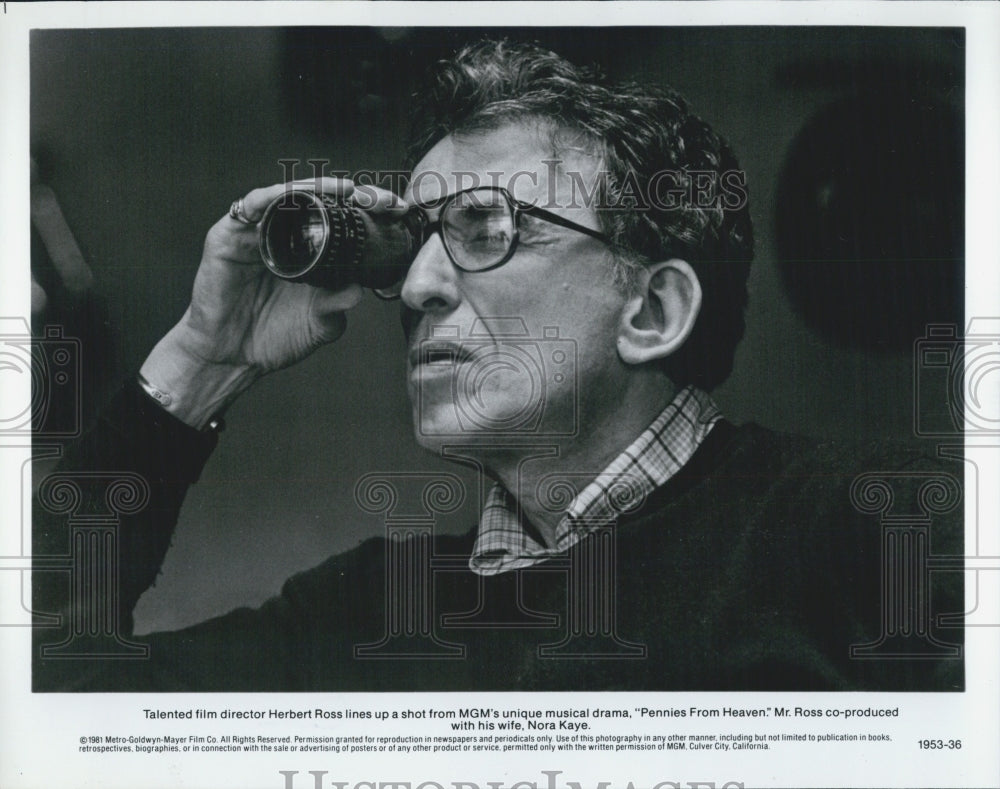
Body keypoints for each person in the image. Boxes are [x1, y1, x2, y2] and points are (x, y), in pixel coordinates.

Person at [32, 39, 963, 691]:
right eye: (416, 242)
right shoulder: (367, 611)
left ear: (652, 309)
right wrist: (203, 357)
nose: (424, 285)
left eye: (485, 227)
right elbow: (37, 689)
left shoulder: (886, 531)